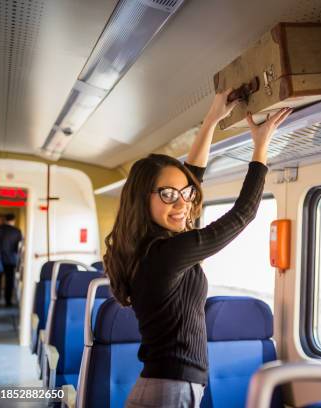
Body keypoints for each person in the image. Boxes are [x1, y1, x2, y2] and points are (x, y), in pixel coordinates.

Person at [104, 89, 291, 408]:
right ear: (142, 198)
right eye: (167, 195)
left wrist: (212, 119)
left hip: (168, 387)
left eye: (185, 193)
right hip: (168, 392)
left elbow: (191, 180)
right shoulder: (166, 253)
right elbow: (242, 214)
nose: (182, 203)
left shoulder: (152, 246)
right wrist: (260, 147)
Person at [0, 214, 22, 307]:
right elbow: (18, 247)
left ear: (5, 220)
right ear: (13, 220)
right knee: (9, 281)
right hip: (11, 259)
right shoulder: (17, 231)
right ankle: (8, 301)